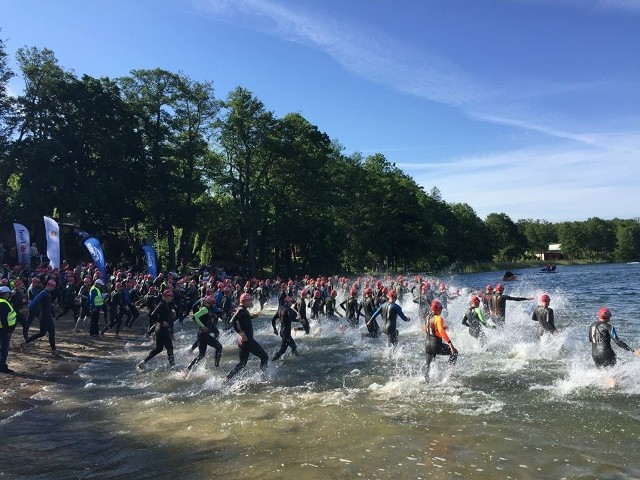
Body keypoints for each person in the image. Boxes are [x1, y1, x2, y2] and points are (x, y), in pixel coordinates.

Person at [226, 293, 268, 381]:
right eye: (249, 301)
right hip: (247, 340)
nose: (251, 303)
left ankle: (227, 378)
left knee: (242, 363)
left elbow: (242, 320)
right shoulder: (241, 309)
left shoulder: (242, 309)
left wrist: (252, 316)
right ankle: (263, 377)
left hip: (244, 341)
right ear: (244, 301)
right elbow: (232, 321)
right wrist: (240, 333)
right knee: (265, 357)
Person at [138, 288, 176, 369]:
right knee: (170, 348)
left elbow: (165, 313)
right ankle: (173, 366)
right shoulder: (161, 304)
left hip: (159, 329)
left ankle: (143, 362)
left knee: (158, 349)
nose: (171, 297)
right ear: (166, 296)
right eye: (170, 296)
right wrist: (162, 322)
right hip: (162, 330)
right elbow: (152, 314)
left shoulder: (166, 303)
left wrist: (171, 312)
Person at [185, 295, 223, 373]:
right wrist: (202, 326)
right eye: (213, 303)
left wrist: (213, 315)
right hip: (203, 334)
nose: (214, 305)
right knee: (219, 347)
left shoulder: (208, 308)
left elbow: (206, 316)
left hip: (201, 335)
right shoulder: (205, 309)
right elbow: (194, 317)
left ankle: (188, 368)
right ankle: (216, 366)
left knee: (201, 355)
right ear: (209, 303)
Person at [22, 279, 59, 356]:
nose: (54, 288)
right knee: (51, 333)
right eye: (53, 287)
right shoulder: (44, 293)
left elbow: (50, 305)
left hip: (45, 316)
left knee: (42, 333)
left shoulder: (48, 293)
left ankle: (25, 342)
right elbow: (35, 299)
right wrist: (28, 307)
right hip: (46, 316)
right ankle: (54, 350)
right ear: (49, 286)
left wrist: (54, 314)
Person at [424, 300, 458, 380]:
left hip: (427, 344)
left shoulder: (427, 317)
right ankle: (448, 373)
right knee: (455, 352)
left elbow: (427, 330)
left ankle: (426, 380)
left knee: (428, 366)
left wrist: (442, 327)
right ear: (437, 310)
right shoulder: (439, 318)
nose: (441, 311)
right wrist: (450, 344)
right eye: (440, 309)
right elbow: (441, 332)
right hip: (435, 344)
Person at [271, 296, 299, 361]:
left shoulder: (280, 309)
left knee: (294, 346)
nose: (292, 304)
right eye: (291, 302)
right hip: (286, 333)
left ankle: (296, 358)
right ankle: (271, 361)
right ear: (288, 302)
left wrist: (275, 329)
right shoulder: (288, 309)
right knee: (282, 350)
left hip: (282, 332)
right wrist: (299, 320)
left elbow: (273, 320)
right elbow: (291, 318)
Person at [0, 285, 17, 373]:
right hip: (3, 330)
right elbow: (4, 319)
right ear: (5, 294)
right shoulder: (4, 303)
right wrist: (8, 331)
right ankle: (2, 366)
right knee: (4, 348)